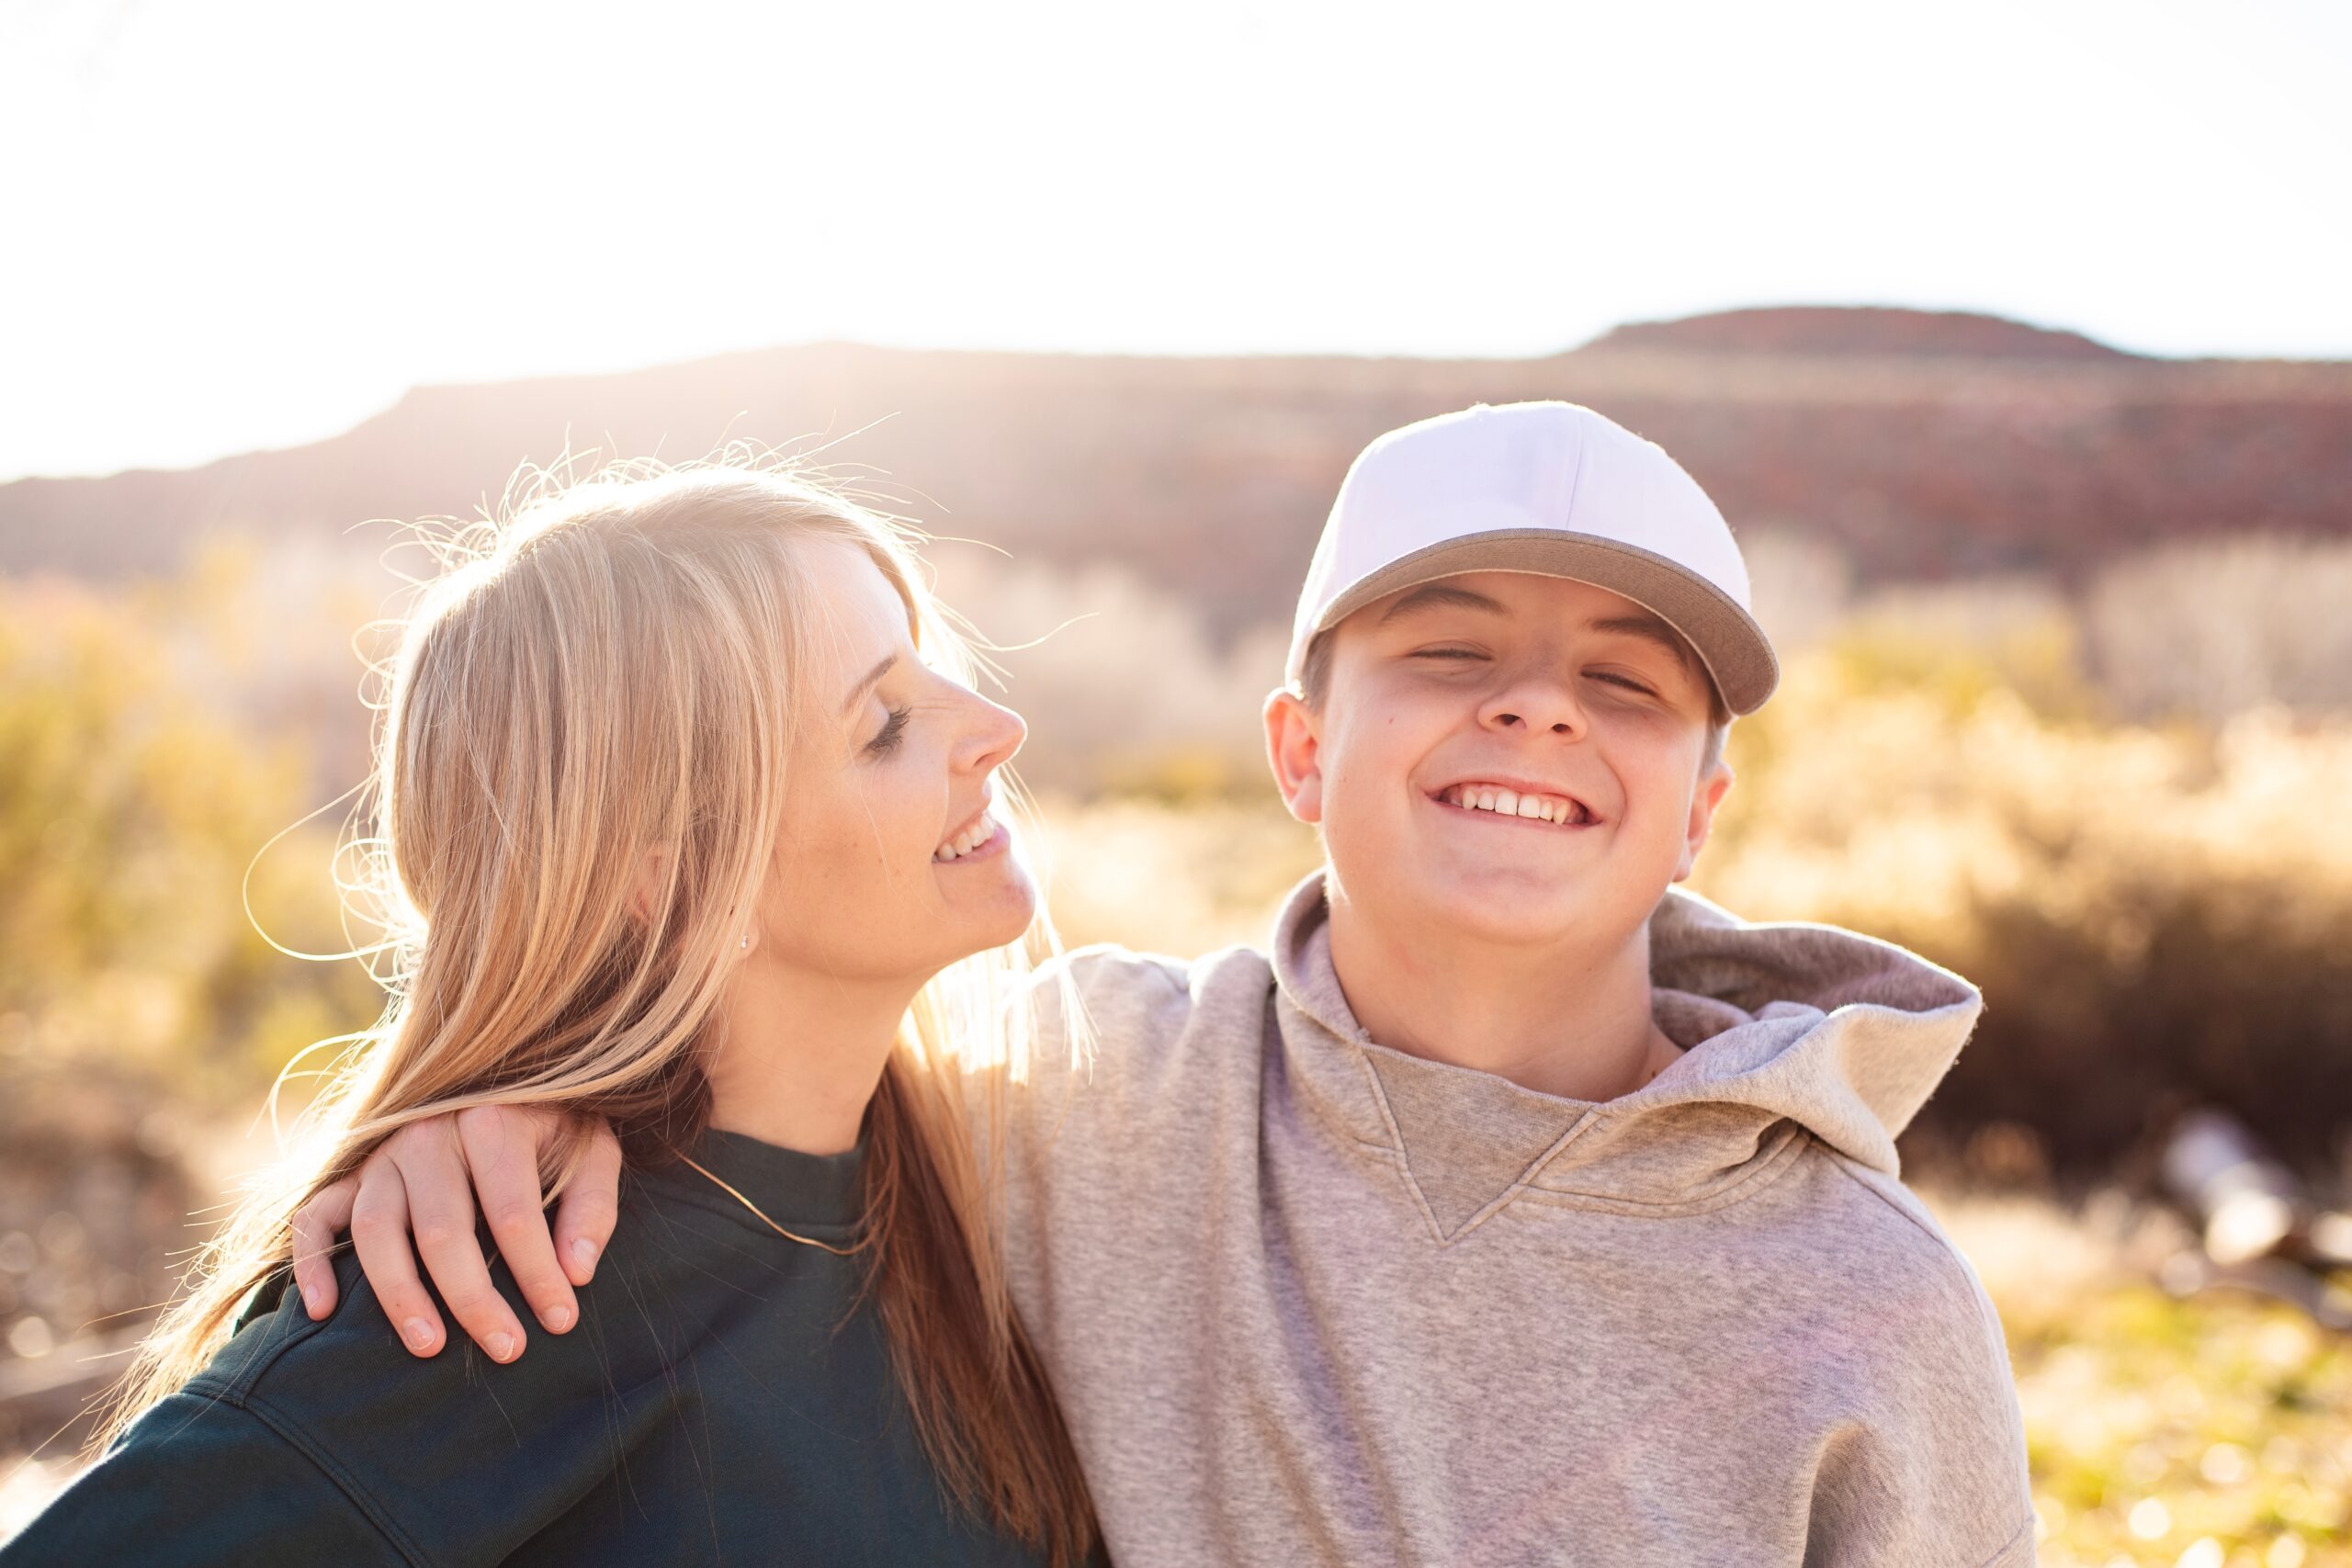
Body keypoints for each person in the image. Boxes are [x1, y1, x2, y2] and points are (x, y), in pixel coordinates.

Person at [289, 405, 2035, 1562]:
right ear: (1297, 749)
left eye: (1627, 683)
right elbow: (752, 1019)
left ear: (1703, 810)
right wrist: (521, 1098)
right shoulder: (1077, 1099)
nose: (1539, 709)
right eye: (1449, 653)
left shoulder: (1869, 1302)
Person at [2, 466, 1101, 1566]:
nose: (997, 727)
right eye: (886, 725)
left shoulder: (1006, 1180)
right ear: (670, 883)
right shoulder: (490, 1297)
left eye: (932, 672)